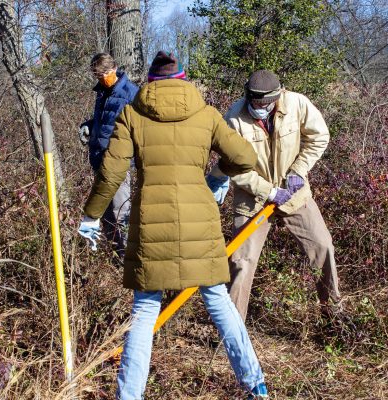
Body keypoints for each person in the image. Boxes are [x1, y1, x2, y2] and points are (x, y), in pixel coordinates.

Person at [78, 52, 269, 400]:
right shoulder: (206, 115)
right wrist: (217, 174)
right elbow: (245, 157)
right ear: (183, 80)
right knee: (218, 303)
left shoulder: (132, 114)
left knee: (145, 310)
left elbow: (111, 173)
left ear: (150, 82)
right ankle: (256, 385)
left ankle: (129, 396)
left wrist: (91, 215)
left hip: (151, 226)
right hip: (201, 223)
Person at [207, 69, 342, 321]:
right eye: (254, 101)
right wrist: (268, 191)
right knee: (241, 262)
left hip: (294, 193)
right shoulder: (234, 119)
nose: (259, 106)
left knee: (323, 247)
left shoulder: (297, 104)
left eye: (264, 102)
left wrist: (298, 172)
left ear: (277, 96)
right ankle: (233, 329)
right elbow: (232, 167)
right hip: (253, 198)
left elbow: (319, 137)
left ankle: (334, 317)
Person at [79, 53, 139, 255]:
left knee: (120, 210)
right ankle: (114, 255)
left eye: (105, 73)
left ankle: (127, 256)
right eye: (98, 75)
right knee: (104, 213)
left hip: (119, 163)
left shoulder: (131, 93)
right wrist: (88, 127)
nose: (102, 77)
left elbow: (136, 129)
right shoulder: (102, 93)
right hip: (99, 159)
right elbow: (103, 122)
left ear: (114, 68)